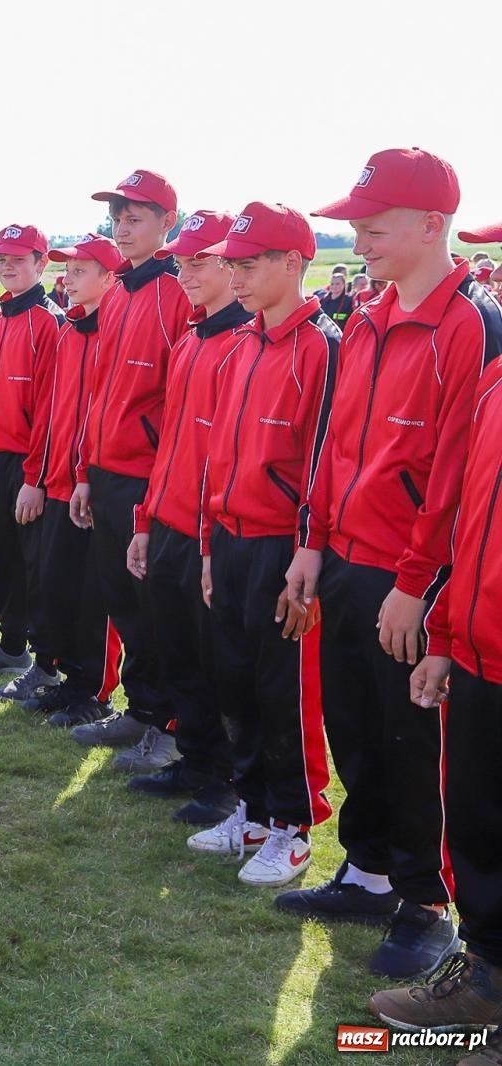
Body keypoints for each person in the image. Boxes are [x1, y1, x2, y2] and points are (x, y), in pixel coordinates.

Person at [280, 149, 502, 979]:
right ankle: (368, 869)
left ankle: (426, 904)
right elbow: (335, 448)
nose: (358, 238)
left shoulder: (469, 326)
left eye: (372, 226)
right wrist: (312, 540)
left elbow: (453, 472)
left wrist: (414, 583)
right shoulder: (368, 318)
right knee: (356, 725)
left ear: (431, 226)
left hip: (410, 576)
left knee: (413, 741)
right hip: (341, 559)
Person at [367, 218, 502, 1052]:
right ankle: (484, 980)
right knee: (482, 827)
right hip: (483, 648)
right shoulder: (498, 380)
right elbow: (474, 521)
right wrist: (448, 633)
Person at [186, 202, 338, 888]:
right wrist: (210, 545)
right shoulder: (240, 346)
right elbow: (217, 455)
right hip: (232, 538)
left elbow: (324, 464)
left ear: (293, 263)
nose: (235, 276)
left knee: (285, 689)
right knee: (236, 683)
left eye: (248, 264)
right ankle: (250, 810)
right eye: (233, 264)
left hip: (284, 546)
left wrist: (308, 555)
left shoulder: (324, 346)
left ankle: (294, 825)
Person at [124, 211, 250, 818]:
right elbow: (171, 441)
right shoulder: (193, 340)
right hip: (170, 521)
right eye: (180, 261)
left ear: (232, 264)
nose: (185, 273)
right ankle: (196, 759)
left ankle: (225, 780)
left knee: (215, 659)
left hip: (210, 531)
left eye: (199, 261)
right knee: (179, 653)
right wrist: (146, 519)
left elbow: (228, 460)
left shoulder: (243, 344)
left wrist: (206, 542)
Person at [67, 170, 189, 753]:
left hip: (149, 477)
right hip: (109, 472)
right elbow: (98, 390)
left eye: (135, 218)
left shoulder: (177, 295)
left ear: (169, 223)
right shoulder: (118, 295)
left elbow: (181, 401)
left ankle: (167, 725)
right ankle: (141, 711)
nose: (122, 229)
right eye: (117, 219)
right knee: (121, 597)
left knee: (152, 604)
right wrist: (87, 471)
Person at [0, 224, 63, 694]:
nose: (8, 267)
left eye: (19, 259)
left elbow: (49, 409)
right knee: (0, 555)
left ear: (41, 265)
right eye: (2, 258)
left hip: (29, 463)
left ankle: (45, 661)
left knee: (34, 566)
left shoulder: (49, 322)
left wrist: (34, 478)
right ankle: (12, 646)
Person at [33, 234, 127, 728]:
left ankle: (96, 690)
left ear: (110, 277)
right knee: (59, 587)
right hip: (59, 482)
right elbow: (54, 412)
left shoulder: (119, 330)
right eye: (67, 270)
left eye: (80, 270)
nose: (67, 279)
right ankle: (72, 681)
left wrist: (88, 473)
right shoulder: (69, 331)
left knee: (97, 599)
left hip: (94, 485)